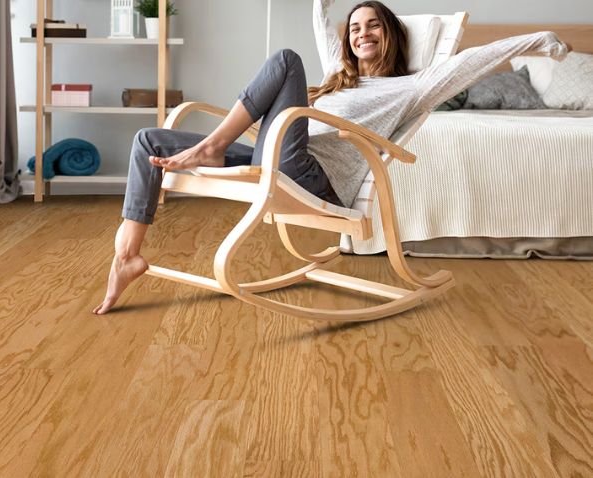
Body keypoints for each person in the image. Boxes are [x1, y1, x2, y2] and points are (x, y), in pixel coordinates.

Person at [93, 0, 569, 315]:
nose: (362, 34)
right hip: (278, 155)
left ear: (391, 35)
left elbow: (472, 61)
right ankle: (128, 256)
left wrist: (539, 39)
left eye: (373, 25)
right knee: (147, 140)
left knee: (283, 60)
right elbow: (322, 25)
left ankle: (214, 145)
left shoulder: (412, 86)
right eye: (355, 28)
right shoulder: (337, 81)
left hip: (311, 177)